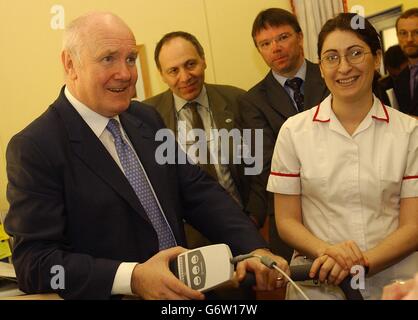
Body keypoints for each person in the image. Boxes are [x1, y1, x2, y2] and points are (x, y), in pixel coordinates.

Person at [4, 12, 289, 300]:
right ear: (70, 64)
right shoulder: (36, 147)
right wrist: (132, 277)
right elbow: (35, 264)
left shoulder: (145, 118)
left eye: (130, 59)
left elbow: (199, 192)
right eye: (108, 59)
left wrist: (254, 248)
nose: (126, 73)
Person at [267, 12, 418, 300]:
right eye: (331, 57)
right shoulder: (294, 132)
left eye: (355, 53)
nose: (344, 67)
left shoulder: (411, 132)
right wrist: (328, 252)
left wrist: (359, 264)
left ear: (376, 59)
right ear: (320, 67)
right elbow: (286, 221)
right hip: (319, 282)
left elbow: (413, 226)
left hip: (396, 284)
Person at [143, 32, 254, 249]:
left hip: (243, 227)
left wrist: (255, 218)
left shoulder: (238, 100)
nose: (185, 77)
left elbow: (256, 166)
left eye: (190, 64)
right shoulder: (146, 117)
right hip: (185, 241)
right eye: (173, 70)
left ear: (203, 60)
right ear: (162, 75)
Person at [238, 8, 329, 261]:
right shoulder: (252, 101)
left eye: (283, 37)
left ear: (300, 37)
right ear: (259, 50)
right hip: (290, 216)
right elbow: (268, 165)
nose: (275, 48)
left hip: (344, 205)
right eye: (265, 43)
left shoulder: (330, 76)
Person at [393, 8, 418, 117]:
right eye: (403, 33)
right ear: (398, 36)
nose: (409, 39)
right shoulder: (400, 79)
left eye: (416, 32)